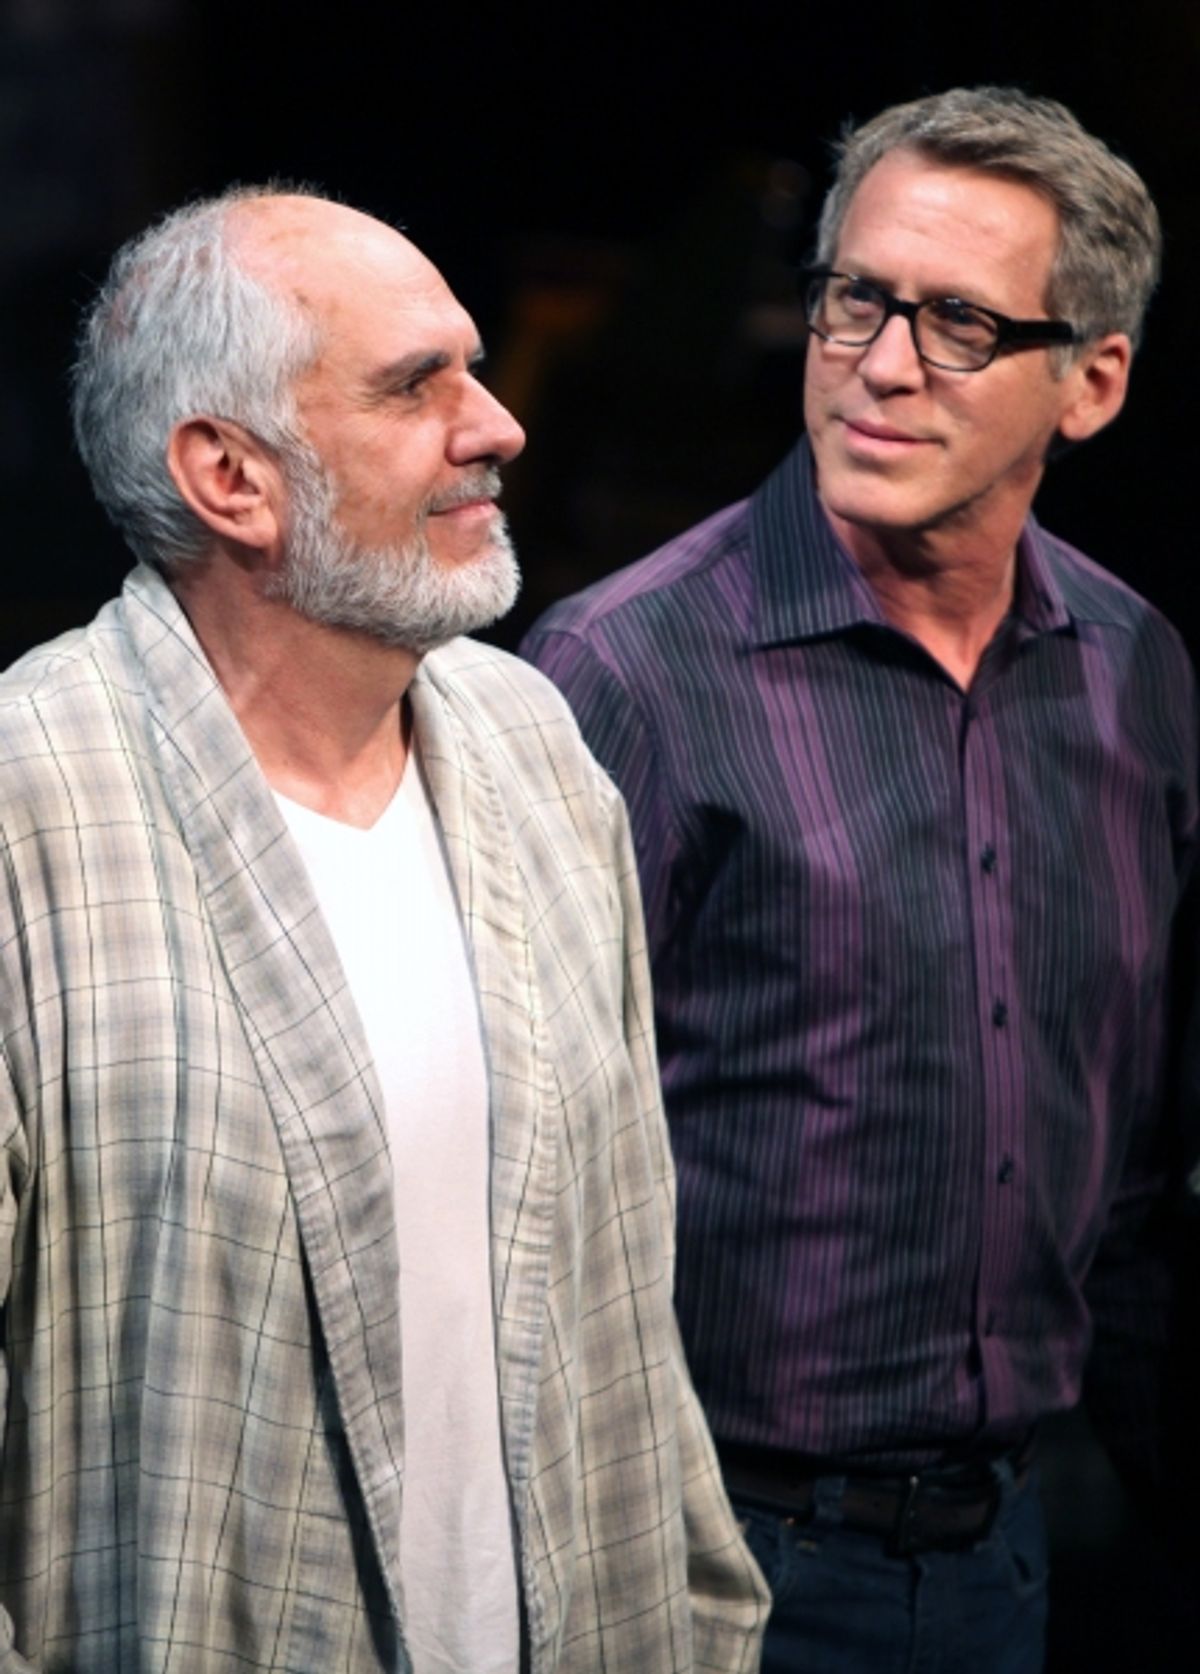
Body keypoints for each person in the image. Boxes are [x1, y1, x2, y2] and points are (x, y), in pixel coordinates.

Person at [0, 186, 767, 1674]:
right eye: (418, 386)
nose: (497, 424)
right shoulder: (30, 804)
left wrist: (709, 1620)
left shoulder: (529, 740)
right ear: (231, 475)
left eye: (471, 371)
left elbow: (625, 1292)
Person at [522, 87, 1198, 1672]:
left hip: (1016, 1548)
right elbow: (513, 1184)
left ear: (1089, 383)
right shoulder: (623, 669)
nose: (884, 364)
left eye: (960, 322)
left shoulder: (1135, 670)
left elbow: (1144, 1173)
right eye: (858, 300)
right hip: (708, 1554)